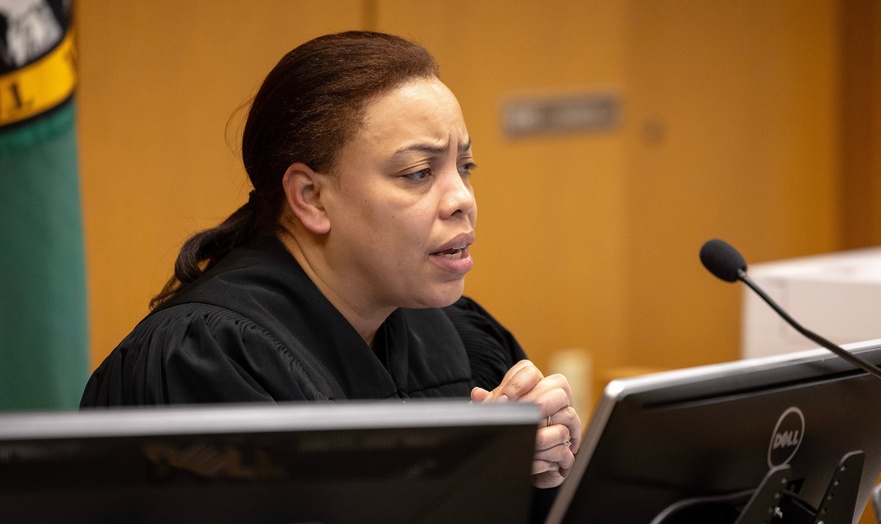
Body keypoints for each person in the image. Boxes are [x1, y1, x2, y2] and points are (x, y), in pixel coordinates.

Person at [80, 31, 582, 490]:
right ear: (311, 198)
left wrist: (544, 461)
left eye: (464, 167)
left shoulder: (455, 337)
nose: (461, 199)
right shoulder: (209, 362)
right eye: (416, 172)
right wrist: (471, 473)